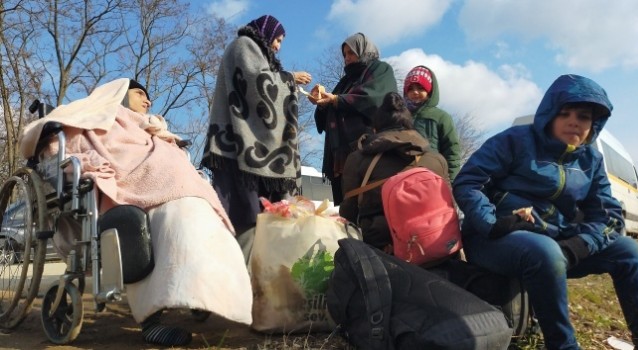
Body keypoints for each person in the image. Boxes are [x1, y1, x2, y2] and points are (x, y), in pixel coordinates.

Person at [19, 78, 253, 347]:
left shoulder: (148, 128)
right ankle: (151, 320)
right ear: (117, 94)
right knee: (167, 218)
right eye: (140, 93)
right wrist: (89, 161)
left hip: (176, 185)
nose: (148, 100)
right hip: (131, 184)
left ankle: (200, 288)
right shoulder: (89, 116)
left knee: (196, 215)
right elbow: (52, 147)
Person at [452, 74, 638, 349]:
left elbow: (607, 216)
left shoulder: (591, 160)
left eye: (584, 116)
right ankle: (562, 345)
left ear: (594, 124)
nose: (574, 121)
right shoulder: (514, 141)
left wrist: (579, 245)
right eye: (565, 113)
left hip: (555, 241)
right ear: (549, 113)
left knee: (628, 251)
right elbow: (468, 182)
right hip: (494, 238)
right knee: (546, 253)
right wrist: (492, 223)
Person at [202, 15, 309, 244]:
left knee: (254, 220)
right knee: (247, 219)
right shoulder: (244, 45)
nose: (278, 46)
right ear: (265, 32)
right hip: (240, 150)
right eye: (277, 39)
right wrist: (289, 78)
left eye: (281, 42)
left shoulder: (254, 51)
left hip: (246, 150)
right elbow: (256, 82)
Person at [339, 92, 449, 251]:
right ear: (410, 126)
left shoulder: (357, 160)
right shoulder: (436, 160)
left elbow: (349, 214)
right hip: (435, 248)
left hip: (381, 254)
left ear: (375, 129)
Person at [311, 32, 397, 204]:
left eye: (351, 53)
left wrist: (336, 99)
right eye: (345, 54)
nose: (347, 58)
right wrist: (322, 104)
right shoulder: (344, 82)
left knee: (370, 205)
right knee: (347, 209)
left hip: (369, 152)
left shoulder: (380, 70)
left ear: (363, 50)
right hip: (341, 158)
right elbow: (330, 114)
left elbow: (374, 98)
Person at [403, 65, 461, 182]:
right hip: (403, 177)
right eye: (410, 88)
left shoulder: (441, 117)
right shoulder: (399, 116)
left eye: (420, 88)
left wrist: (452, 182)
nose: (415, 92)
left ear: (429, 91)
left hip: (433, 178)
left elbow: (452, 152)